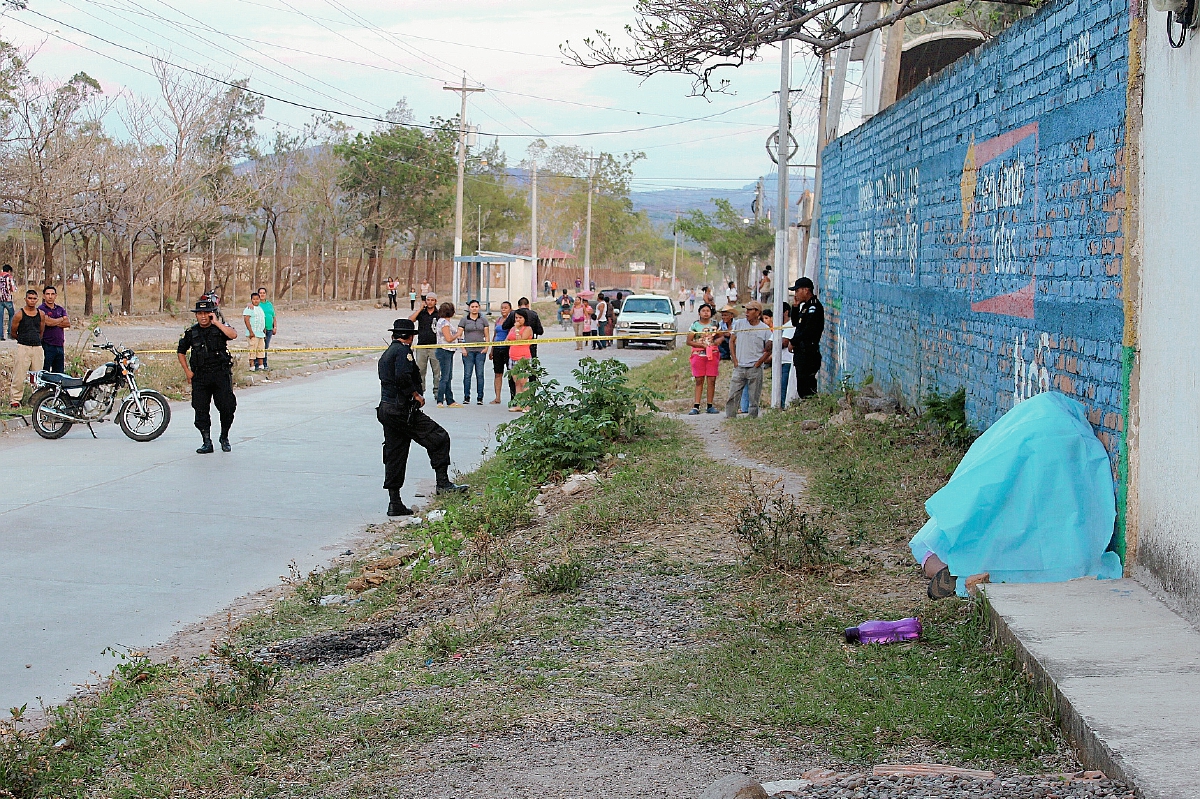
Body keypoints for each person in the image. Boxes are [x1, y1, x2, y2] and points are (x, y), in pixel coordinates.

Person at [376, 318, 467, 517]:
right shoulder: (402, 352)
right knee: (439, 437)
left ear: (393, 335)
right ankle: (442, 483)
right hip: (402, 410)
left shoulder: (387, 353)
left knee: (395, 454)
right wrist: (415, 394)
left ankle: (394, 501)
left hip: (387, 409)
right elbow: (401, 377)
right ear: (409, 337)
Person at [177, 297, 238, 453]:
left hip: (220, 374)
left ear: (212, 313)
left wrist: (216, 322)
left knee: (227, 407)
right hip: (200, 376)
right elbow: (181, 352)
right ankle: (206, 441)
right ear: (196, 315)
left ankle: (224, 437)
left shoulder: (220, 328)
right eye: (200, 313)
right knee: (200, 409)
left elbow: (233, 335)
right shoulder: (192, 332)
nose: (203, 316)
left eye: (206, 313)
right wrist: (187, 372)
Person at [726, 300, 772, 419]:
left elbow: (769, 349)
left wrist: (759, 362)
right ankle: (730, 415)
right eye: (746, 310)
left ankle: (752, 417)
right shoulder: (740, 324)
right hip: (740, 366)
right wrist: (735, 359)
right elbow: (732, 341)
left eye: (750, 310)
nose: (747, 313)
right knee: (733, 393)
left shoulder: (765, 329)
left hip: (754, 367)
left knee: (754, 395)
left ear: (758, 313)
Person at [789, 277, 825, 398]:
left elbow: (807, 330)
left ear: (806, 290)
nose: (796, 294)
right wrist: (795, 307)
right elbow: (795, 323)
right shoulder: (805, 307)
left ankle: (811, 407)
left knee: (807, 387)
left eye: (797, 290)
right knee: (801, 385)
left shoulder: (813, 307)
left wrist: (793, 342)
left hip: (808, 352)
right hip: (801, 352)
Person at [8, 289, 44, 408]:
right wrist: (22, 339)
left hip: (37, 347)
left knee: (37, 376)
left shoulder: (41, 314)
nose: (32, 301)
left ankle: (37, 400)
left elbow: (41, 331)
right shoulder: (19, 314)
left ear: (37, 300)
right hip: (23, 347)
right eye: (30, 298)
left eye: (34, 298)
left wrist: (36, 340)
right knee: (19, 374)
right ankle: (15, 399)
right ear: (25, 299)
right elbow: (13, 332)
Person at [686, 303, 723, 415]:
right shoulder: (695, 326)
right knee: (699, 379)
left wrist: (717, 341)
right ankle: (696, 405)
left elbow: (721, 336)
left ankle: (710, 405)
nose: (706, 313)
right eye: (703, 310)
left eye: (708, 310)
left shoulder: (715, 324)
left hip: (713, 354)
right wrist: (701, 346)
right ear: (699, 313)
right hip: (698, 355)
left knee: (711, 379)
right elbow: (689, 341)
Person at [409, 292, 441, 396]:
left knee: (437, 371)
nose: (430, 302)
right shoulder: (421, 313)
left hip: (435, 346)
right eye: (428, 300)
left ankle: (437, 392)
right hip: (422, 346)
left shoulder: (439, 314)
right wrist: (419, 309)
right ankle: (420, 391)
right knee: (420, 371)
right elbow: (410, 320)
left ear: (435, 301)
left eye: (432, 300)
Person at [459, 300, 490, 405]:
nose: (474, 308)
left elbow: (487, 335)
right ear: (469, 308)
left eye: (476, 306)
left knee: (480, 374)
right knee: (467, 374)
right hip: (468, 351)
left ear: (479, 308)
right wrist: (463, 348)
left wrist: (486, 347)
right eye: (472, 306)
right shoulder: (464, 320)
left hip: (480, 351)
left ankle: (480, 397)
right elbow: (459, 336)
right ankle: (466, 396)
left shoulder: (483, 320)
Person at [37, 286, 69, 374]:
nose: (50, 296)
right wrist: (61, 319)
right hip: (47, 345)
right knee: (45, 372)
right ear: (43, 296)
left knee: (59, 374)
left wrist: (53, 321)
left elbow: (67, 324)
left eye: (52, 294)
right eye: (47, 294)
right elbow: (48, 322)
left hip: (59, 345)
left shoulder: (60, 309)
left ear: (56, 296)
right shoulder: (41, 309)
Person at [507, 308, 535, 412]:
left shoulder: (527, 329)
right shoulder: (512, 328)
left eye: (520, 318)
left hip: (523, 358)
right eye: (516, 318)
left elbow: (520, 340)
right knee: (517, 382)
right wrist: (514, 329)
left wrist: (518, 330)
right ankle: (519, 404)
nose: (518, 320)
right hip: (513, 357)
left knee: (524, 382)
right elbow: (508, 339)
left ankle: (527, 405)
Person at [434, 301, 461, 407]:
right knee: (445, 377)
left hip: (448, 350)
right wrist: (458, 334)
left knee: (448, 376)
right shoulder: (444, 323)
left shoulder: (443, 321)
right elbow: (448, 338)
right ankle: (440, 400)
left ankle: (450, 400)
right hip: (444, 350)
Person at [490, 300, 513, 404]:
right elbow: (495, 335)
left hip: (507, 349)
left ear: (510, 309)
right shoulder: (498, 320)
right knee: (497, 373)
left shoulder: (511, 321)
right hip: (497, 349)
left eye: (505, 308)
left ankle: (513, 397)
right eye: (502, 308)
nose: (503, 309)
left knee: (510, 374)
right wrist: (492, 349)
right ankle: (497, 397)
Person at [242, 291, 266, 372]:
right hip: (253, 333)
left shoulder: (260, 308)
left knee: (260, 350)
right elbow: (246, 320)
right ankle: (252, 366)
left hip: (260, 333)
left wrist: (263, 330)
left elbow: (262, 320)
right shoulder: (249, 308)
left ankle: (261, 365)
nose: (256, 301)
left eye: (257, 299)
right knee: (252, 349)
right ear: (251, 300)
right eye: (254, 299)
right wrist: (251, 331)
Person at [257, 287, 276, 371]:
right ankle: (258, 364)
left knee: (266, 347)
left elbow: (274, 316)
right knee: (259, 347)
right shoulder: (257, 304)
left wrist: (274, 327)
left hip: (269, 329)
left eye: (263, 293)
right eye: (260, 293)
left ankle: (265, 364)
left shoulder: (269, 304)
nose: (262, 294)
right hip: (260, 330)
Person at [0, 265, 15, 340]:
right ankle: (10, 333)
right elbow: (12, 288)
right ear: (9, 271)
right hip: (7, 299)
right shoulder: (9, 277)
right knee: (12, 315)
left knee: (0, 317)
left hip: (0, 300)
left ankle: (0, 335)